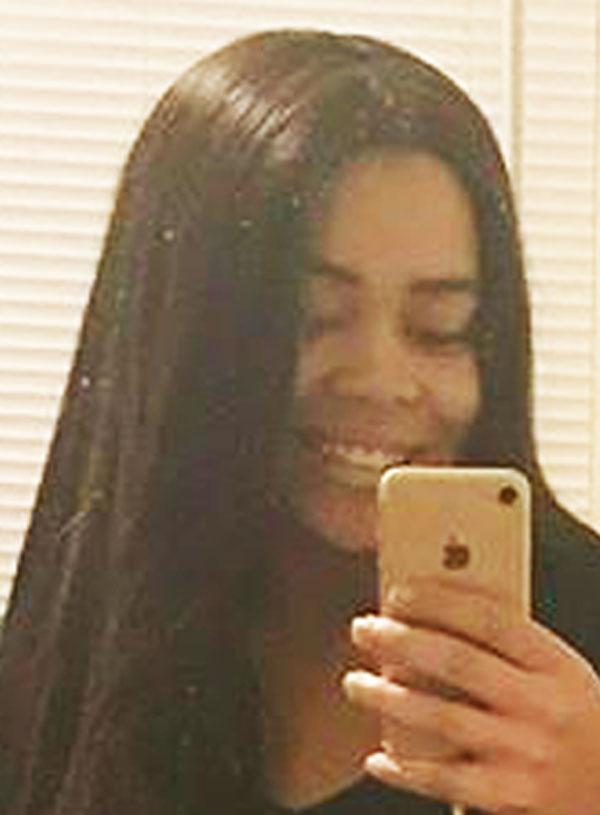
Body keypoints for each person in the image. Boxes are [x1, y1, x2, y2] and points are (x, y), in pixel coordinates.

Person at [1, 28, 600, 815]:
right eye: (312, 318)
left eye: (440, 328)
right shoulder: (64, 673)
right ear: (183, 336)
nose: (382, 380)